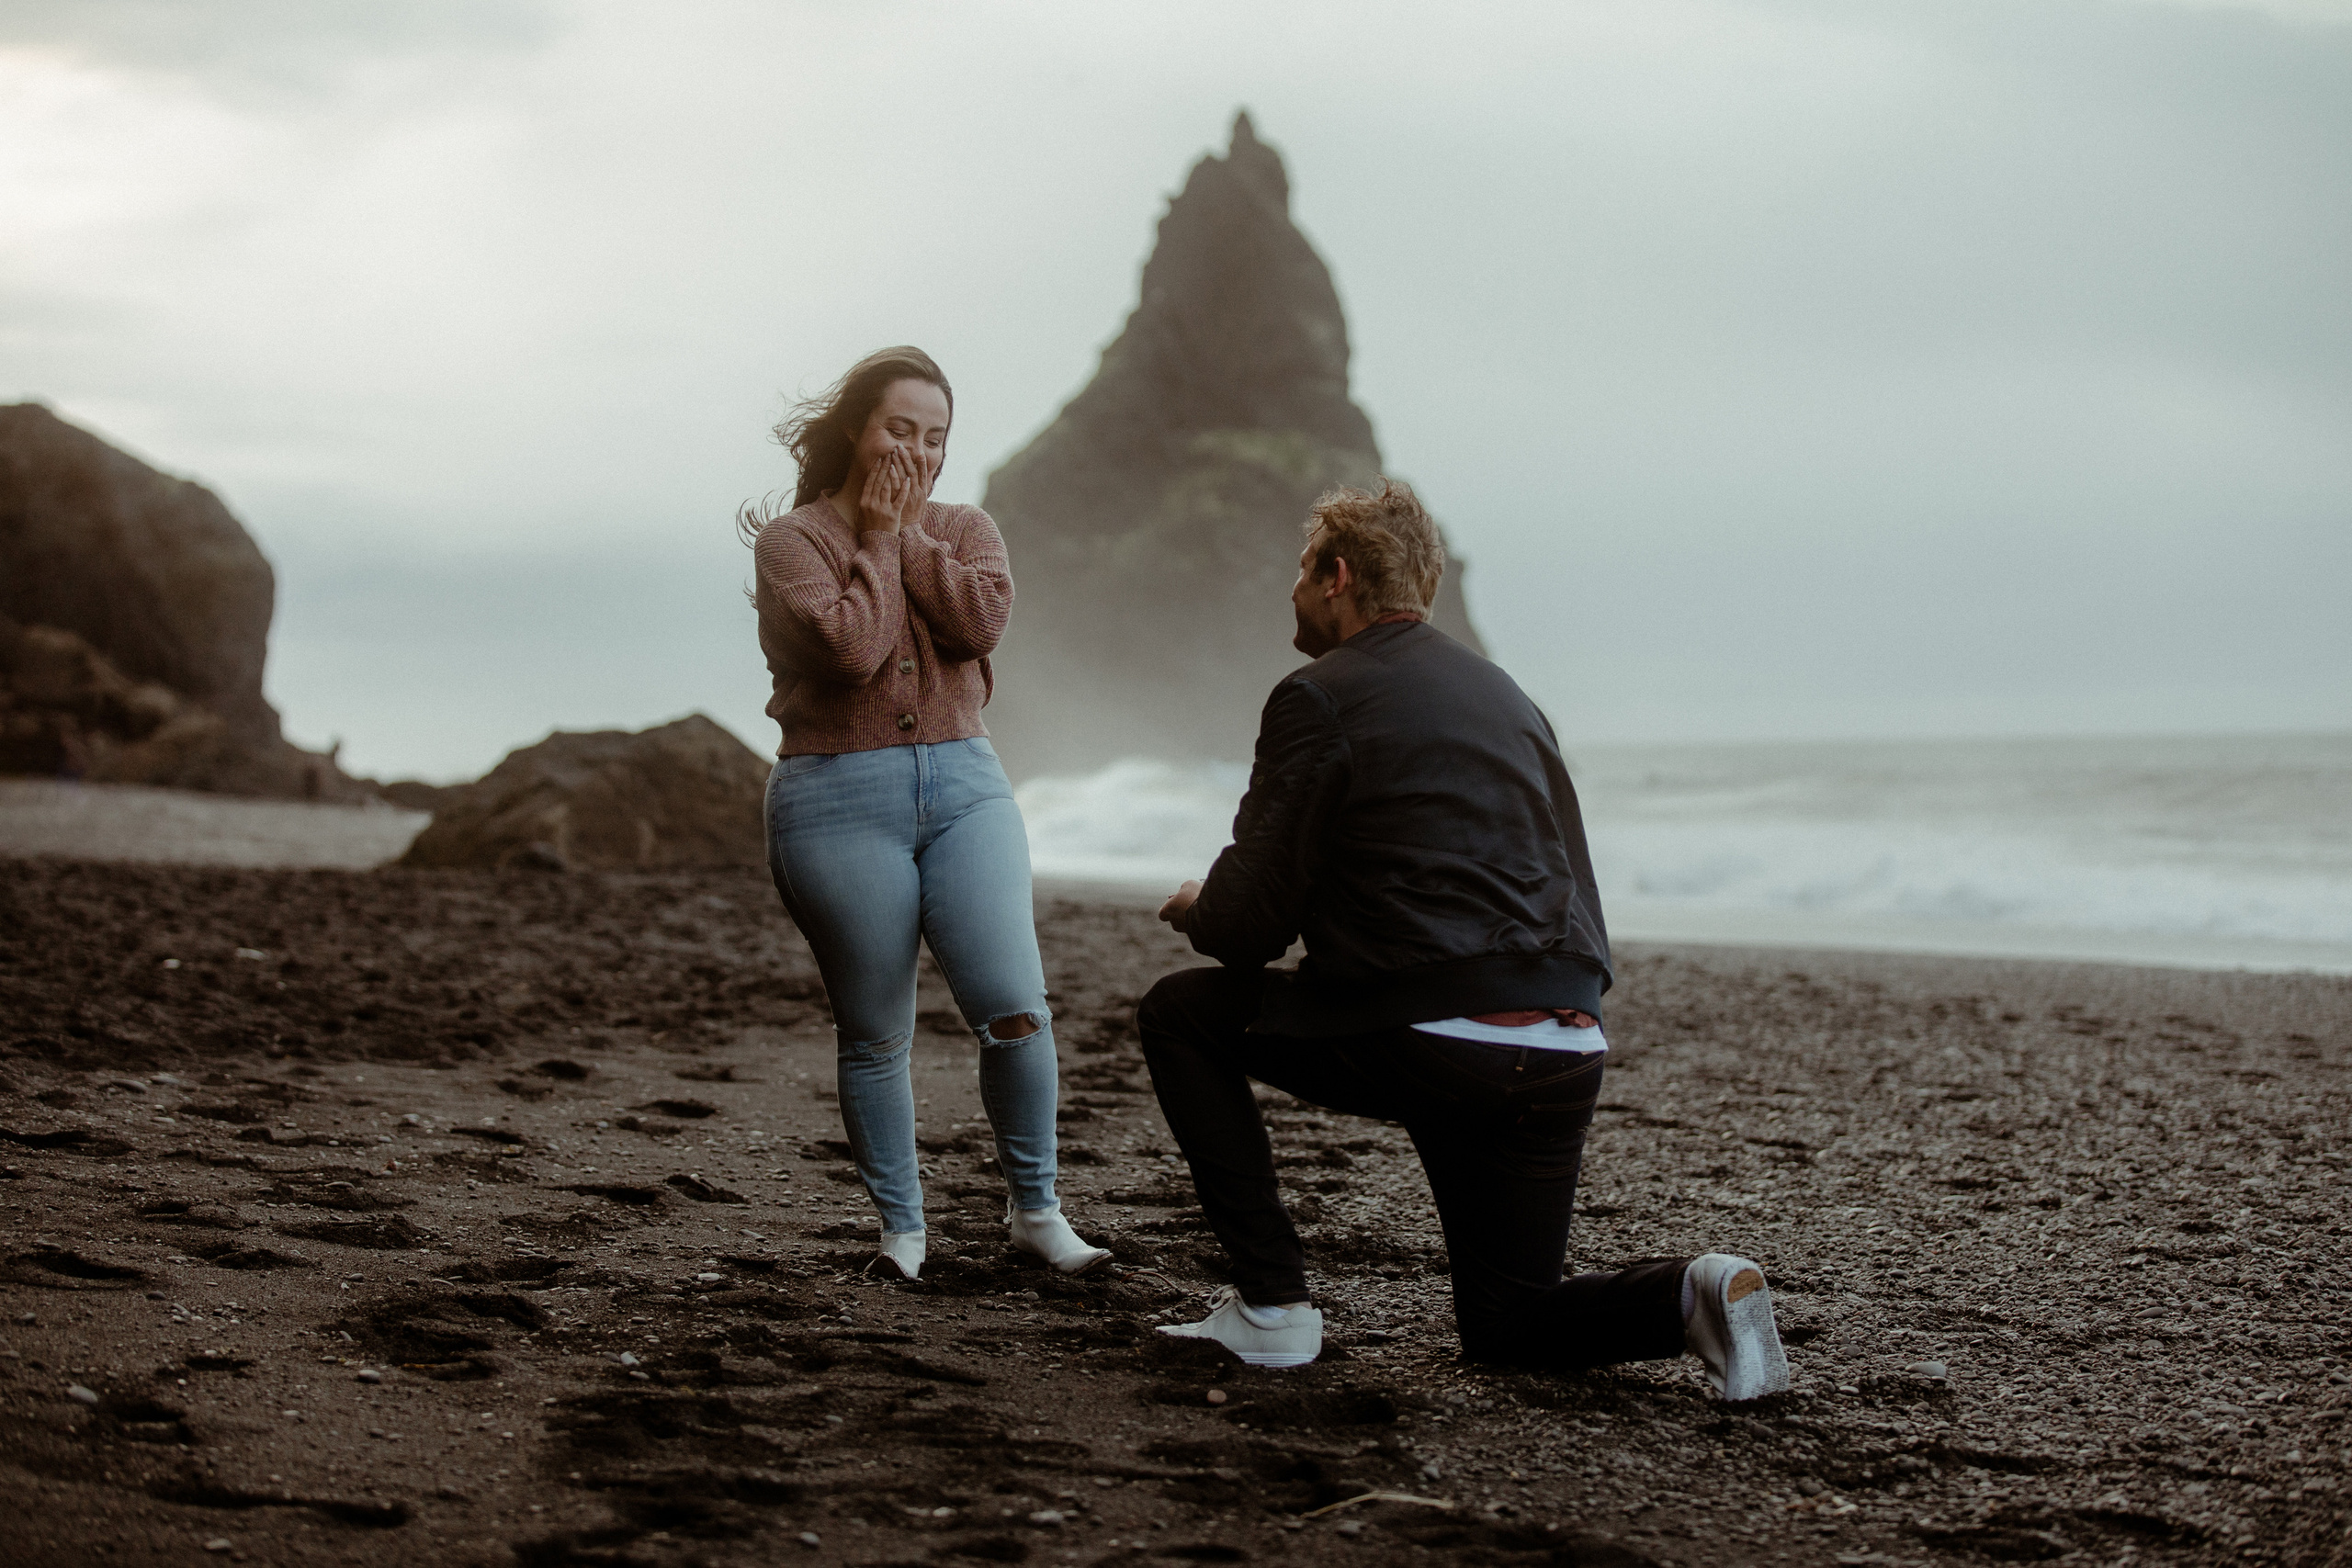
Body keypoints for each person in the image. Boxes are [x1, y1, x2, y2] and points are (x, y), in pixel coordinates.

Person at [1137, 479, 1789, 1400]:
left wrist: (1200, 905)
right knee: (1509, 1323)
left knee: (1180, 1014)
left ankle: (1273, 1309)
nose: (1289, 591)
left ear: (1334, 575)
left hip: (1435, 1037)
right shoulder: (1513, 701)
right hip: (1563, 1039)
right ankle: (1696, 1291)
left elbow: (1246, 932)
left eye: (1298, 569)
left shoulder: (1315, 696)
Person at [742, 345, 1109, 1281]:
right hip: (833, 799)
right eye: (899, 429)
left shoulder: (965, 528)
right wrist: (870, 537)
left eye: (935, 437)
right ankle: (902, 1233)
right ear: (855, 433)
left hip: (966, 788)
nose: (918, 452)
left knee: (1017, 1010)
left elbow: (980, 627)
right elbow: (851, 653)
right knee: (874, 1031)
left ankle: (1037, 1210)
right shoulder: (792, 545)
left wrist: (904, 536)